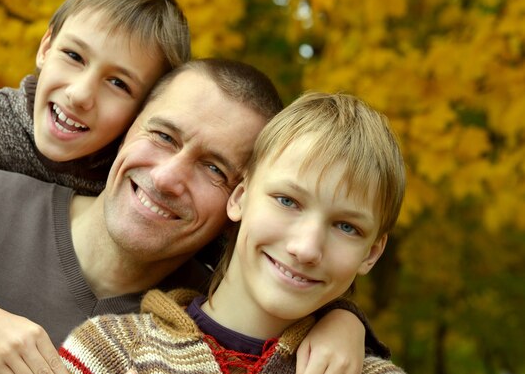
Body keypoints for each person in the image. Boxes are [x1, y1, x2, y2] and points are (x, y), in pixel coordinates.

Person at [0, 60, 382, 374]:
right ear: (125, 129)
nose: (170, 176)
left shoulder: (189, 332)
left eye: (213, 168)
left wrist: (342, 318)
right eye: (164, 136)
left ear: (239, 198)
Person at [0, 0, 190, 373]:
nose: (80, 94)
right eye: (74, 56)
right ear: (45, 46)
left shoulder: (141, 185)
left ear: (144, 112)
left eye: (118, 83)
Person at [58, 91, 407, 374]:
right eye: (287, 201)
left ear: (372, 253)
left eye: (346, 226)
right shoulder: (110, 354)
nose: (306, 248)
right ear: (240, 197)